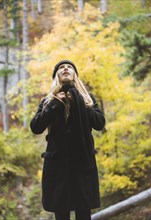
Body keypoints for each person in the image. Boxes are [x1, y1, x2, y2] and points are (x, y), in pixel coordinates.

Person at [30, 60, 105, 220]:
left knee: (84, 212)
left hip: (82, 164)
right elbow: (36, 127)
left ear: (75, 75)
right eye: (61, 68)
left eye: (69, 67)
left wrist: (80, 99)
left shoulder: (87, 99)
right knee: (61, 213)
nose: (65, 68)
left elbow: (99, 124)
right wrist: (56, 103)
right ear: (57, 76)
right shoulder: (48, 101)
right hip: (58, 166)